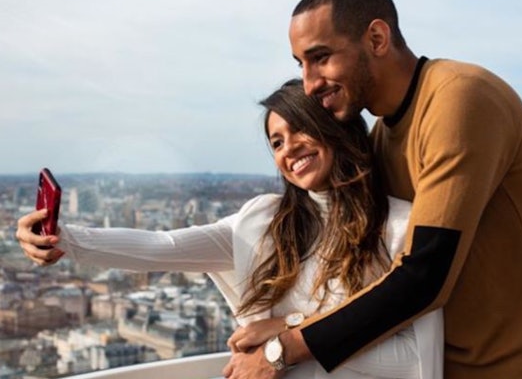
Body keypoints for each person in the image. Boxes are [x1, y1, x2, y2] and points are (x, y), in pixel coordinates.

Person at [222, 0, 522, 379]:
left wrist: (283, 349)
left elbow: (423, 275)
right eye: (300, 65)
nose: (309, 84)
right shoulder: (383, 136)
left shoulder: (461, 99)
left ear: (377, 38)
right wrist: (292, 324)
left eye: (320, 58)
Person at [16, 79, 443, 379]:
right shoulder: (263, 222)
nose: (288, 148)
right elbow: (163, 247)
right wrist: (64, 239)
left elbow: (416, 362)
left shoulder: (402, 228)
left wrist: (285, 337)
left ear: (335, 129)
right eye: (276, 141)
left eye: (300, 128)